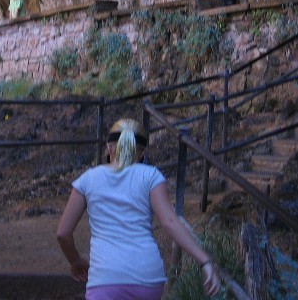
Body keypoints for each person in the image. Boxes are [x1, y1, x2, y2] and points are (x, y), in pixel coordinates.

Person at [56, 119, 221, 299]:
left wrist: (75, 261)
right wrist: (204, 261)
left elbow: (63, 233)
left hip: (106, 278)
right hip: (147, 277)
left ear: (109, 148)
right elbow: (170, 222)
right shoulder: (151, 176)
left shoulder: (87, 180)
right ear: (141, 152)